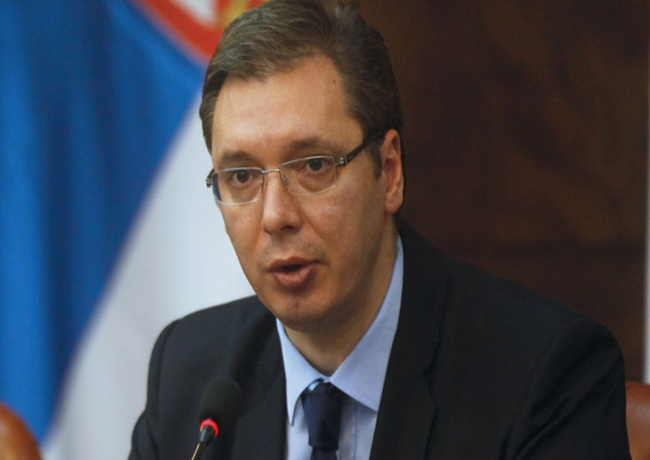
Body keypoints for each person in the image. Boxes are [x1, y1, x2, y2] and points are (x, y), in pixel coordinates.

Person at [129, 0, 631, 458]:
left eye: (314, 165)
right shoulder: (189, 372)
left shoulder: (546, 376)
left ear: (389, 172)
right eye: (241, 176)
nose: (275, 215)